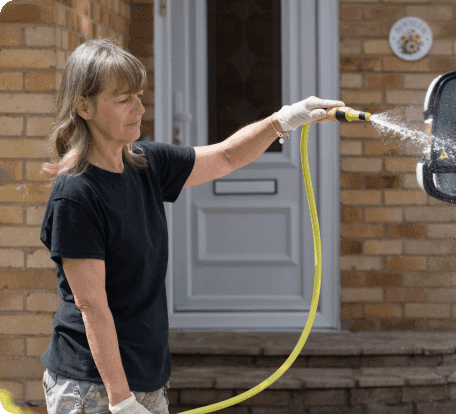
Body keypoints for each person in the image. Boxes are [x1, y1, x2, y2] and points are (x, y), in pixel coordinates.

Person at [38, 38, 344, 414]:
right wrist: (120, 401)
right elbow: (91, 305)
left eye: (138, 95)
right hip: (92, 386)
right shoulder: (77, 194)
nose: (140, 108)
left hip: (147, 378)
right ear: (83, 106)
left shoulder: (144, 164)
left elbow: (227, 156)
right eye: (123, 100)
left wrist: (284, 119)